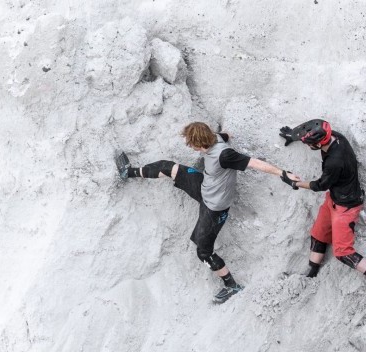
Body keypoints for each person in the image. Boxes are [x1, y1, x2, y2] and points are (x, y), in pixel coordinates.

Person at [116, 121, 299, 303]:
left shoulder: (225, 155)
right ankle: (128, 172)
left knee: (204, 252)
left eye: (191, 143)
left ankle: (231, 286)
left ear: (200, 142)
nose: (189, 146)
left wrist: (284, 174)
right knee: (167, 167)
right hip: (205, 186)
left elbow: (255, 163)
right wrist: (228, 134)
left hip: (214, 208)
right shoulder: (215, 138)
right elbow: (226, 135)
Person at [279, 119, 366, 277]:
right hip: (333, 198)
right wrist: (293, 135)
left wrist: (295, 183)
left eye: (308, 144)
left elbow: (320, 185)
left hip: (347, 206)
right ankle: (311, 273)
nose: (307, 146)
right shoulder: (335, 136)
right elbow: (313, 130)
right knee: (318, 234)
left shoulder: (334, 162)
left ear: (319, 144)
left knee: (343, 253)